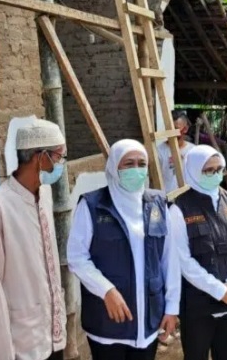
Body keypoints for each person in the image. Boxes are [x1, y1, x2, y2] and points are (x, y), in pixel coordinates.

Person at [67, 139, 180, 360]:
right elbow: (77, 257)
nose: (136, 170)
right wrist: (106, 290)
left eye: (141, 163)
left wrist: (171, 307)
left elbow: (169, 260)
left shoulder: (157, 203)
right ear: (113, 167)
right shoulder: (92, 205)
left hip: (149, 320)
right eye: (128, 164)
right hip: (107, 323)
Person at [0, 118, 67, 360]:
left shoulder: (44, 196)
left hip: (53, 339)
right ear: (39, 157)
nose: (59, 164)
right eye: (58, 157)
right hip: (20, 345)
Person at [171, 145, 227, 360]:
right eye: (208, 170)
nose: (216, 174)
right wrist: (218, 290)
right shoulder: (179, 208)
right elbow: (182, 260)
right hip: (199, 305)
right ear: (193, 170)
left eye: (219, 169)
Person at [158, 112, 195, 193]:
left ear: (185, 129)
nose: (171, 133)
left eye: (176, 129)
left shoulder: (193, 151)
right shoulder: (158, 151)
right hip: (167, 199)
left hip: (188, 199)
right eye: (169, 129)